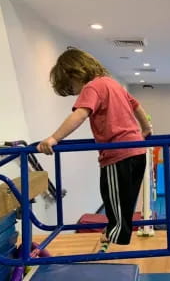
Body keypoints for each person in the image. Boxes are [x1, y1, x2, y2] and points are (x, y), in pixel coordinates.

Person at [37, 47, 152, 245]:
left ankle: (116, 236)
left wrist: (54, 138)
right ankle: (117, 231)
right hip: (137, 151)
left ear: (75, 73)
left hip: (118, 154)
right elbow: (136, 106)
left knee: (112, 197)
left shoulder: (92, 87)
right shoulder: (113, 84)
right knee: (125, 200)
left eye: (71, 87)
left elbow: (80, 114)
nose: (75, 92)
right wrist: (146, 129)